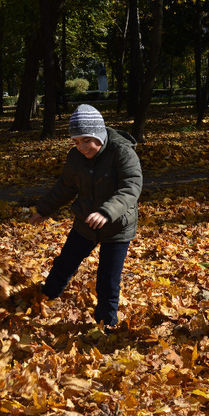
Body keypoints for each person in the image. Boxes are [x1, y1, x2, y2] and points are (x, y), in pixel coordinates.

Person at [29, 104, 143, 328]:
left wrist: (106, 212)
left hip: (117, 227)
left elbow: (131, 187)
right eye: (75, 141)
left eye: (85, 140)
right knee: (64, 264)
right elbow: (66, 187)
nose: (80, 147)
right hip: (85, 224)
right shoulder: (76, 157)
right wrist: (44, 209)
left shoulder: (122, 152)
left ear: (98, 135)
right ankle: (43, 299)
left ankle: (105, 324)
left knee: (107, 281)